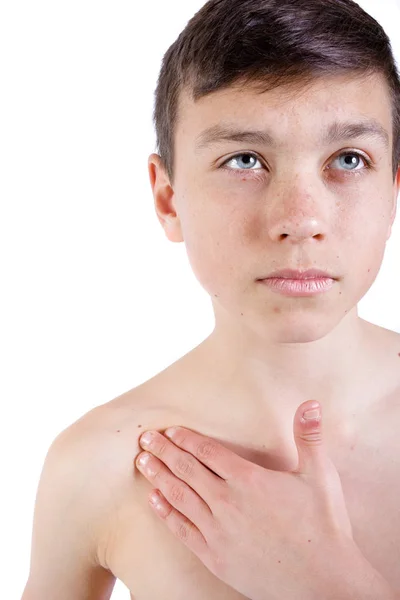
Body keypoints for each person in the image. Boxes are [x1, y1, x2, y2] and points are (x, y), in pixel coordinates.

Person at [21, 0, 400, 598]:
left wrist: (326, 583)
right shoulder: (98, 468)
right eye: (244, 159)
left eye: (348, 160)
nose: (300, 220)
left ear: (393, 192)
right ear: (169, 199)